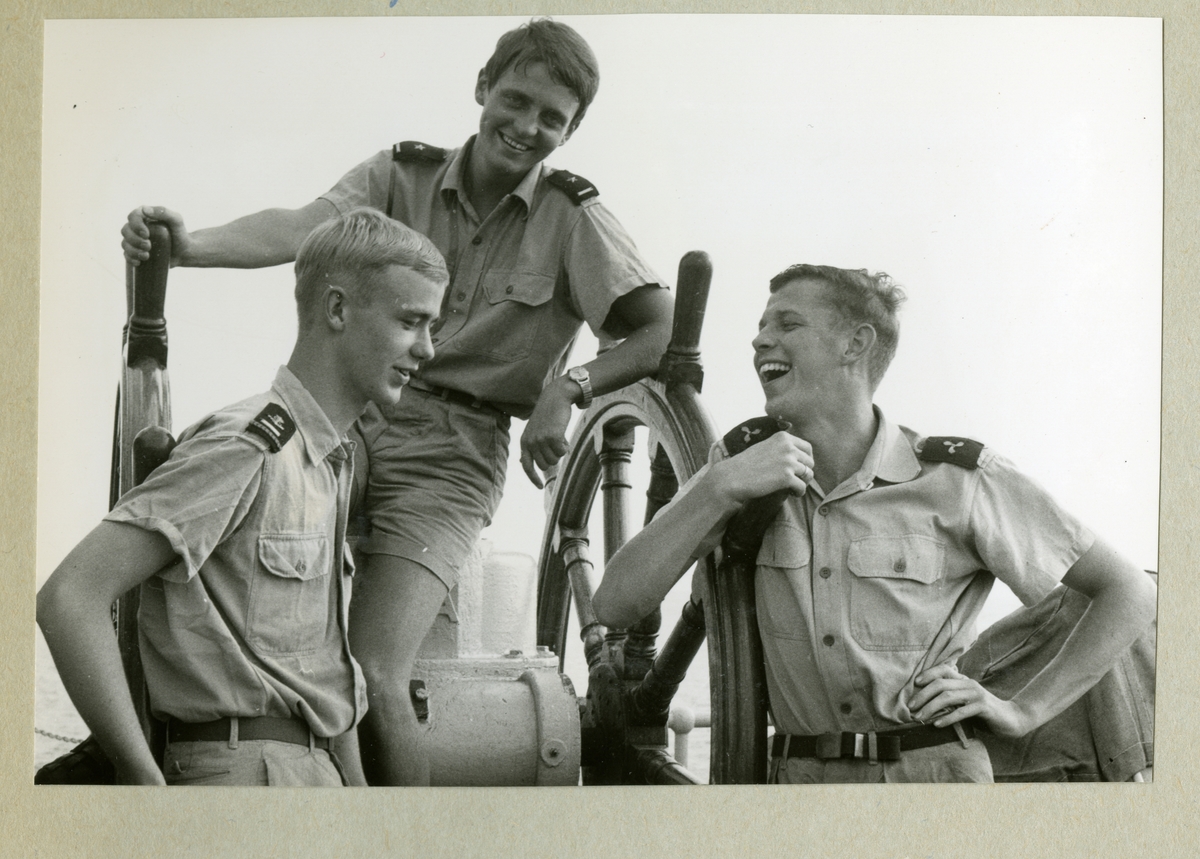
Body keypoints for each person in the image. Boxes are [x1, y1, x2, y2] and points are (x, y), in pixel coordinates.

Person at [119, 19, 672, 785]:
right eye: (515, 101)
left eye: (553, 118)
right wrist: (188, 247)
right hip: (350, 420)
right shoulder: (397, 177)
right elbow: (303, 228)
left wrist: (568, 388)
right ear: (483, 87)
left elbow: (657, 328)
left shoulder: (575, 219)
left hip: (455, 451)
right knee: (217, 568)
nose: (527, 127)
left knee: (376, 667)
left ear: (573, 128)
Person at [592, 263, 1157, 783]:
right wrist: (716, 488)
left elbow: (1129, 590)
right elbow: (614, 605)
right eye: (762, 327)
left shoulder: (957, 479)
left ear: (855, 344)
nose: (762, 339)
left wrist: (1022, 710)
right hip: (799, 792)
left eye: (788, 323)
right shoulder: (737, 472)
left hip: (936, 783)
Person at [37, 208, 447, 786]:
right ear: (337, 310)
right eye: (411, 321)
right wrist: (142, 785)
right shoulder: (248, 447)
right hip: (242, 778)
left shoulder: (326, 464)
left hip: (315, 777)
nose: (427, 349)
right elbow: (70, 595)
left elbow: (322, 676)